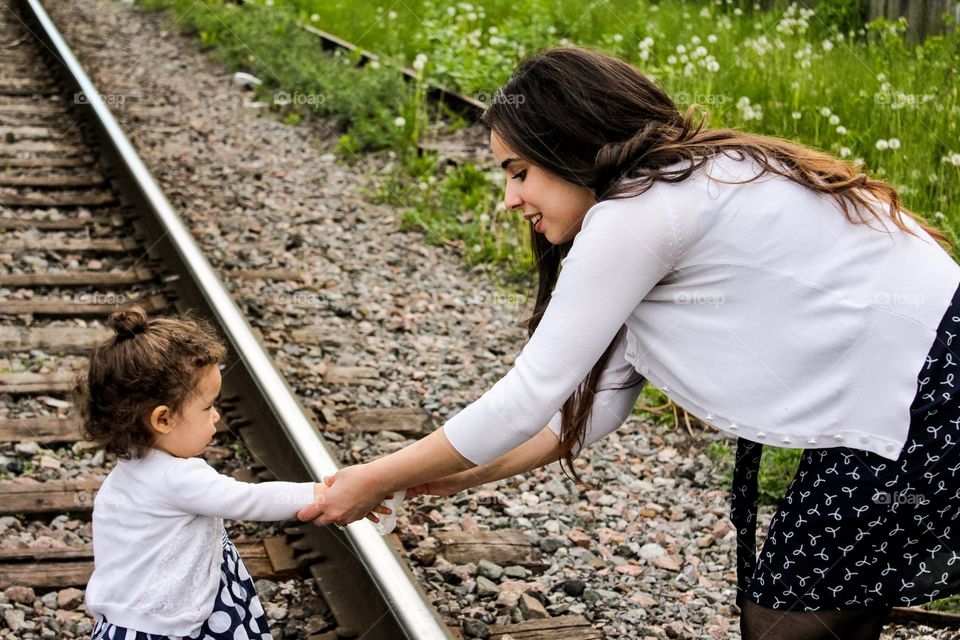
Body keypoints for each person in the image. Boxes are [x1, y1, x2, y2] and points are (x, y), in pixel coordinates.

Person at [297, 46, 960, 639]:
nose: (508, 198)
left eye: (519, 171)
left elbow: (526, 399)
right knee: (817, 603)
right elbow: (586, 409)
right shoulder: (685, 183)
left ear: (570, 146)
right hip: (909, 390)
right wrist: (448, 474)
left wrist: (375, 478)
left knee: (791, 617)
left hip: (924, 395)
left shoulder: (637, 214)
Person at [75, 307, 334, 639]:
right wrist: (321, 493)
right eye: (208, 406)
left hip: (128, 617)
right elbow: (250, 500)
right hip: (176, 624)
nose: (216, 417)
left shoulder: (126, 473)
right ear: (163, 419)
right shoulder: (178, 478)